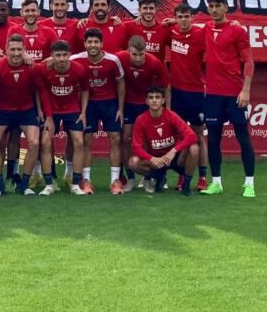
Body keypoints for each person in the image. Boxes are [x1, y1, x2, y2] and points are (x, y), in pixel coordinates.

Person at [0, 34, 48, 197]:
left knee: (34, 143)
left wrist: (44, 112)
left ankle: (24, 184)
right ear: (6, 50)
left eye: (19, 50)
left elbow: (41, 89)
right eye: (12, 49)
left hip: (26, 110)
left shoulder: (32, 67)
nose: (15, 53)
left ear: (24, 50)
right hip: (2, 110)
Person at [199, 0, 257, 198]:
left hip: (235, 94)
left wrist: (246, 90)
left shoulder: (237, 30)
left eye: (218, 5)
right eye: (211, 6)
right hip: (213, 95)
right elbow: (184, 30)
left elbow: (249, 61)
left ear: (226, 7)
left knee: (243, 138)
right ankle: (216, 183)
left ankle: (249, 183)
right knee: (213, 140)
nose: (214, 10)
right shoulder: (205, 28)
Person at [71, 28, 126, 194]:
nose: (93, 45)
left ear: (101, 44)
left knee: (115, 139)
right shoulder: (76, 59)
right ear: (85, 44)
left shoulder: (113, 60)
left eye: (96, 42)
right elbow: (58, 60)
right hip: (89, 105)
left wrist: (120, 109)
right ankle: (86, 180)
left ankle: (115, 181)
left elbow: (120, 83)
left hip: (110, 104)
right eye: (89, 42)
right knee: (87, 140)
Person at [165, 3, 210, 192]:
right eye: (180, 17)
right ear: (176, 18)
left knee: (198, 136)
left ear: (192, 18)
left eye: (187, 17)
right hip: (176, 92)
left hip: (196, 92)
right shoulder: (171, 31)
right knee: (181, 137)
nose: (183, 20)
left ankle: (202, 178)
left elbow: (216, 28)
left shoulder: (201, 35)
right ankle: (183, 176)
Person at [36, 40, 90, 195]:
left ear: (70, 55)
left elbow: (86, 90)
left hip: (72, 109)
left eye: (64, 55)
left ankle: (75, 184)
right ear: (51, 56)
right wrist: (48, 116)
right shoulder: (43, 69)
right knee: (45, 142)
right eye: (57, 55)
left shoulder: (79, 69)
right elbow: (42, 92)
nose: (61, 59)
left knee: (79, 142)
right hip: (51, 109)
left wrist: (83, 112)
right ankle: (49, 184)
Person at [118, 35, 170, 192]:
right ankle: (130, 179)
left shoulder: (154, 62)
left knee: (147, 142)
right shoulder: (119, 58)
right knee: (125, 139)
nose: (138, 58)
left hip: (146, 105)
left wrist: (168, 110)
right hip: (128, 104)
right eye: (134, 54)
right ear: (128, 51)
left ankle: (148, 179)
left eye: (141, 54)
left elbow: (166, 86)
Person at [129, 85, 200, 194]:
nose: (154, 100)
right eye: (151, 97)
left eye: (157, 97)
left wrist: (173, 151)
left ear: (163, 101)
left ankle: (186, 185)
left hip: (175, 158)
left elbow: (192, 136)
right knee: (133, 162)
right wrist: (152, 159)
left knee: (194, 148)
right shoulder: (141, 119)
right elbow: (136, 147)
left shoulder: (171, 116)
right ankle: (159, 178)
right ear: (147, 101)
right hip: (156, 160)